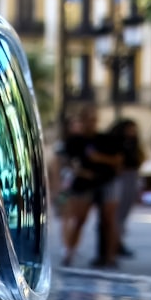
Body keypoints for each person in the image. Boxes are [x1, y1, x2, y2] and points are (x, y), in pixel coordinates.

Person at [60, 106, 121, 268]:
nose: (90, 123)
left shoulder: (106, 140)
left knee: (109, 220)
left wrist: (98, 158)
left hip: (106, 181)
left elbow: (117, 161)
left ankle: (110, 256)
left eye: (93, 119)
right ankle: (69, 252)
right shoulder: (74, 141)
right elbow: (68, 162)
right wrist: (81, 172)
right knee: (79, 219)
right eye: (86, 119)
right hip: (84, 183)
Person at [112, 119, 145, 257]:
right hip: (123, 178)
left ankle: (118, 241)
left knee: (123, 214)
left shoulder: (134, 145)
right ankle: (116, 243)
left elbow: (140, 159)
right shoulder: (119, 145)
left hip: (132, 177)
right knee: (118, 214)